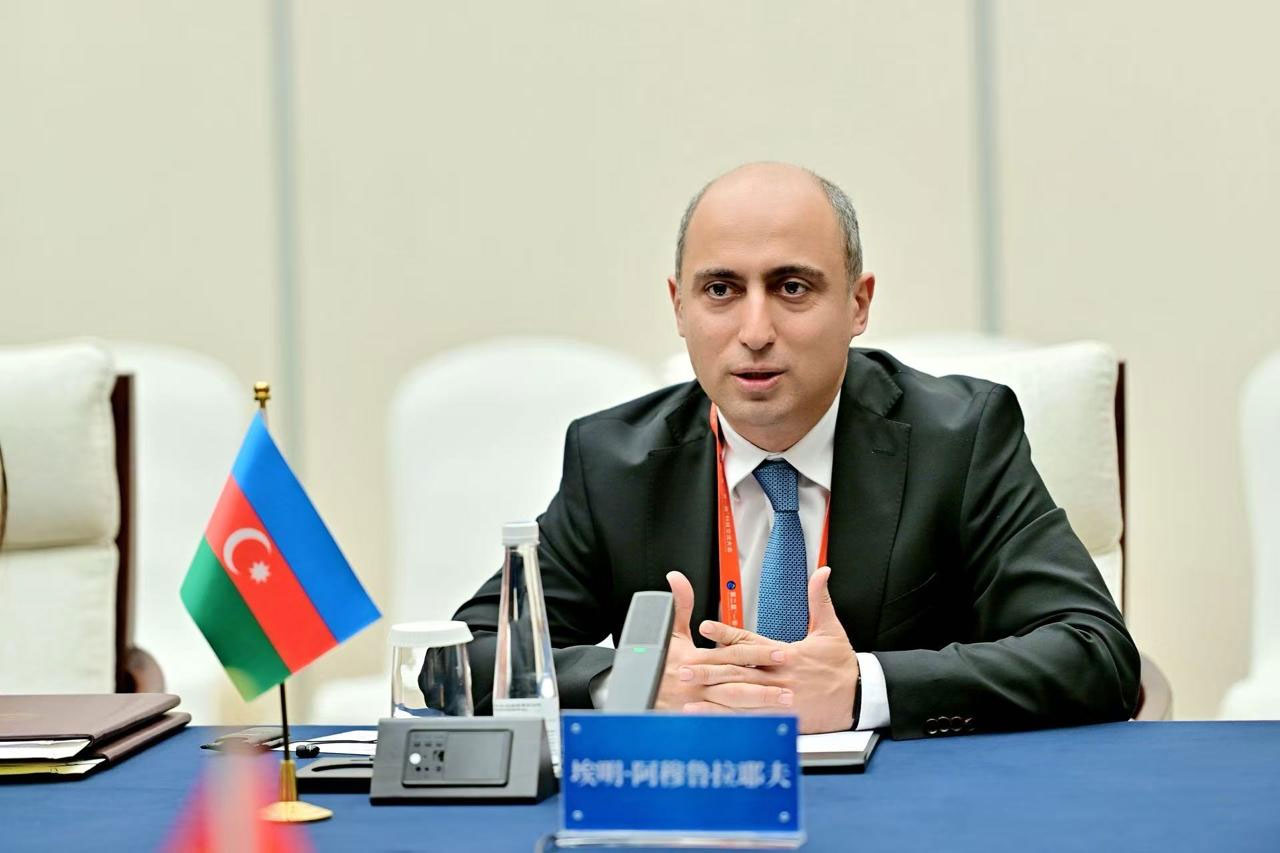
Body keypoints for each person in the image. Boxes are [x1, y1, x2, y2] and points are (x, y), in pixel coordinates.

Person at [455, 162, 1140, 739]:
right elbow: (466, 656)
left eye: (792, 288)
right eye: (721, 290)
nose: (755, 331)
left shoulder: (959, 439)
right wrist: (632, 678)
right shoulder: (614, 462)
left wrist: (862, 688)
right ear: (679, 307)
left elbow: (1097, 653)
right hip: (694, 809)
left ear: (858, 304)